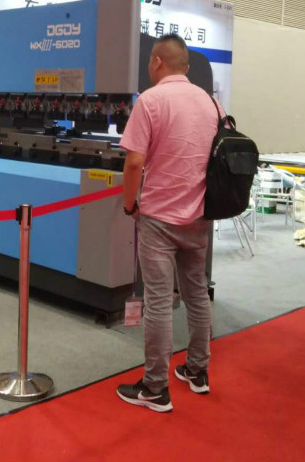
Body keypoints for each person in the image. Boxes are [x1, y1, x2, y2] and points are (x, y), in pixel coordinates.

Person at [115, 33, 221, 413]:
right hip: (198, 217)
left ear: (157, 61)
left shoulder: (150, 100)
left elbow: (134, 162)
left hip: (159, 218)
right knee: (197, 294)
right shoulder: (211, 102)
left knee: (158, 302)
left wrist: (130, 204)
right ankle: (197, 370)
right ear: (186, 66)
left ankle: (155, 388)